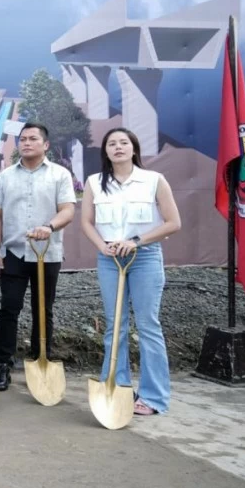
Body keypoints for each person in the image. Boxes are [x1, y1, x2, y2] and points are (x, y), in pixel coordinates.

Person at [80, 127, 181, 416]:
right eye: (112, 143)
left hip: (144, 256)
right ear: (106, 151)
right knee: (115, 325)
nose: (118, 147)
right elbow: (87, 221)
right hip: (110, 259)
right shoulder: (94, 183)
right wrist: (102, 246)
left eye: (124, 142)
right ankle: (117, 386)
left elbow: (173, 222)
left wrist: (135, 241)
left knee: (148, 325)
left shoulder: (154, 180)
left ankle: (153, 397)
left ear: (134, 149)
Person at [0, 123, 77, 391]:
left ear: (45, 144)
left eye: (33, 139)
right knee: (8, 309)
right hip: (13, 253)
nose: (26, 143)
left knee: (44, 309)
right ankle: (3, 364)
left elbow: (67, 211)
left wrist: (48, 228)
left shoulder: (60, 175)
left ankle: (41, 360)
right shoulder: (5, 177)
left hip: (46, 254)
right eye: (23, 139)